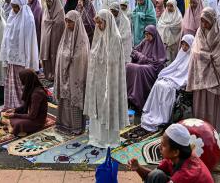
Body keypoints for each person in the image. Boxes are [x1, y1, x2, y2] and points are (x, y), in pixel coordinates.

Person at [84, 9, 128, 148]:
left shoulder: (115, 38)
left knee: (106, 107)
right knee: (96, 108)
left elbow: (113, 62)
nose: (99, 26)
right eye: (97, 23)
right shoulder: (99, 36)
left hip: (109, 80)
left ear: (107, 22)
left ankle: (107, 139)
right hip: (97, 80)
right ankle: (96, 136)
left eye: (101, 23)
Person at [186, 7, 220, 129]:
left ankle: (211, 132)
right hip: (200, 76)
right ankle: (199, 131)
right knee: (199, 107)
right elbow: (194, 51)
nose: (204, 25)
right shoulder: (200, 32)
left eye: (206, 22)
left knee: (210, 109)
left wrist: (203, 56)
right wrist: (203, 56)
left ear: (213, 21)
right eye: (202, 21)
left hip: (213, 79)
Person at [128, 123, 213, 183]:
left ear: (175, 152)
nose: (159, 147)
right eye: (160, 143)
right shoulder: (175, 157)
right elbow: (152, 177)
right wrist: (138, 168)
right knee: (157, 175)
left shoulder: (187, 173)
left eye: (163, 145)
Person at [140, 35, 193, 131]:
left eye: (187, 45)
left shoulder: (192, 58)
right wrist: (166, 74)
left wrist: (178, 79)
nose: (184, 47)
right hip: (174, 76)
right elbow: (174, 66)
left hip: (179, 80)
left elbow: (187, 73)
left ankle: (163, 117)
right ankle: (153, 112)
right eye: (183, 45)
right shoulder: (181, 53)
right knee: (158, 83)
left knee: (167, 88)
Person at [1, 0, 39, 110]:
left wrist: (27, 59)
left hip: (22, 57)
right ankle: (11, 104)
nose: (14, 10)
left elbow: (28, 42)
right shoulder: (12, 16)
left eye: (16, 7)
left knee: (21, 82)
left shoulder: (28, 19)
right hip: (12, 55)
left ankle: (21, 105)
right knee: (11, 81)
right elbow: (7, 35)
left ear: (21, 6)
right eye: (13, 7)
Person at [54, 10, 89, 135]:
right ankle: (63, 124)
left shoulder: (82, 40)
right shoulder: (66, 36)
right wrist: (65, 59)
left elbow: (80, 58)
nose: (68, 25)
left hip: (75, 76)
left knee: (74, 102)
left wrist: (69, 58)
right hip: (65, 76)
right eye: (67, 21)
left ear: (77, 23)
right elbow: (61, 54)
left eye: (71, 22)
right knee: (64, 100)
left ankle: (76, 127)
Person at [126, 25, 167, 111]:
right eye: (145, 34)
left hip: (152, 67)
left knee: (139, 69)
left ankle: (137, 98)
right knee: (128, 66)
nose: (147, 37)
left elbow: (159, 62)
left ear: (154, 34)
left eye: (149, 34)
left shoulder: (158, 45)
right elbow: (134, 50)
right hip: (142, 64)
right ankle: (128, 95)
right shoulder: (145, 41)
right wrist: (140, 56)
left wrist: (146, 59)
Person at [0, 69, 49, 135]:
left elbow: (32, 116)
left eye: (22, 79)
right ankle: (9, 123)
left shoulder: (37, 94)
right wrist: (14, 110)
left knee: (18, 124)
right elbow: (26, 106)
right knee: (4, 110)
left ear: (26, 80)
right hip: (29, 114)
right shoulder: (31, 87)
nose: (21, 81)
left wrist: (15, 115)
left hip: (37, 121)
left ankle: (10, 125)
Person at [40, 0, 65, 80]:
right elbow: (43, 23)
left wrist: (51, 23)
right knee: (46, 54)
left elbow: (61, 23)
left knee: (54, 54)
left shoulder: (60, 11)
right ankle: (47, 73)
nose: (48, 3)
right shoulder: (46, 10)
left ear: (54, 1)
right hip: (46, 38)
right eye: (46, 1)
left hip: (55, 37)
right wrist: (49, 23)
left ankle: (55, 74)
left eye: (49, 1)